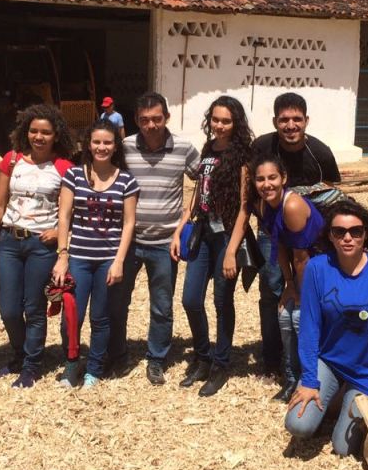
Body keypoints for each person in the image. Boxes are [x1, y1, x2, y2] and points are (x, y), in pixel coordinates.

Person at [285, 199, 368, 458]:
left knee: (342, 448)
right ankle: (331, 405)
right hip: (330, 361)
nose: (348, 238)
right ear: (330, 235)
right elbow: (309, 327)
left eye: (355, 231)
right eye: (339, 231)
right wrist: (309, 380)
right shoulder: (317, 268)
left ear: (366, 234)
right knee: (298, 425)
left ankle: (342, 406)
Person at [110, 92, 200, 385]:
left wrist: (185, 221)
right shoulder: (124, 147)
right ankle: (117, 354)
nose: (151, 125)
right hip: (128, 241)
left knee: (161, 305)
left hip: (165, 243)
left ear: (167, 118)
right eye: (145, 120)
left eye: (157, 119)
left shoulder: (184, 148)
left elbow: (204, 181)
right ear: (137, 120)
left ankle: (156, 359)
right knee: (117, 301)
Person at [251, 92, 340, 382]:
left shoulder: (320, 152)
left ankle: (309, 361)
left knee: (308, 294)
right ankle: (272, 360)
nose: (291, 125)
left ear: (306, 121)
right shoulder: (262, 147)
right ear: (275, 122)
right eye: (284, 120)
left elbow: (333, 192)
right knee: (271, 290)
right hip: (273, 226)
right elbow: (251, 186)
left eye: (296, 119)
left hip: (309, 233)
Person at [0, 104, 73, 387]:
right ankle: (19, 353)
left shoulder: (64, 168)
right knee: (9, 309)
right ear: (26, 131)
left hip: (40, 246)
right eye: (34, 131)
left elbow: (69, 211)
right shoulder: (12, 161)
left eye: (46, 132)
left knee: (34, 307)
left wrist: (58, 232)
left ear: (56, 135)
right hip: (10, 241)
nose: (39, 137)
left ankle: (31, 365)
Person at [173, 95, 254, 397]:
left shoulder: (243, 156)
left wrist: (232, 250)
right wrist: (182, 225)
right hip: (204, 231)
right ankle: (203, 357)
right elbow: (199, 190)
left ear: (236, 123)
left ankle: (221, 364)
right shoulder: (208, 149)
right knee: (191, 299)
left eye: (226, 121)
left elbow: (245, 207)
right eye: (215, 120)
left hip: (227, 235)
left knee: (222, 301)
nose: (219, 126)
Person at [52, 119, 139, 388]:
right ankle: (71, 363)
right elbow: (64, 216)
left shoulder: (126, 180)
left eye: (107, 142)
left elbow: (129, 223)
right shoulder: (74, 176)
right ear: (88, 145)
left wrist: (119, 261)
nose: (102, 147)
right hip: (79, 257)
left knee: (100, 318)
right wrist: (62, 256)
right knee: (71, 317)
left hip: (108, 259)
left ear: (116, 146)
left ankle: (94, 367)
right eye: (97, 142)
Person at [247, 154, 325, 402]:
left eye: (272, 177)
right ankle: (291, 377)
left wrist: (301, 294)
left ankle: (309, 376)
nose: (266, 184)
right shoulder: (264, 205)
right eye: (260, 179)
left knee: (300, 318)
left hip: (320, 266)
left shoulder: (291, 206)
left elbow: (302, 257)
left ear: (284, 178)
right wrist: (289, 285)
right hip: (301, 267)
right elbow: (279, 244)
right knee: (284, 317)